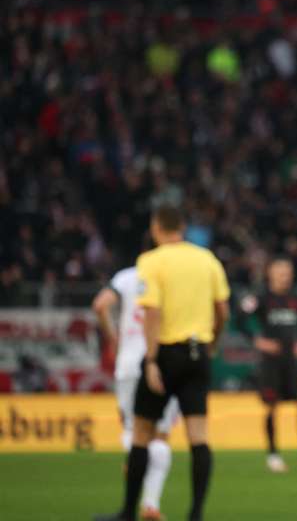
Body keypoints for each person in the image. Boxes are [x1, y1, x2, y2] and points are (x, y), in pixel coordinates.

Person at [95, 206, 230, 521]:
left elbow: (152, 312)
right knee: (199, 437)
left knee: (142, 432)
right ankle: (195, 514)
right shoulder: (206, 259)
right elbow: (222, 310)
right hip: (198, 352)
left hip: (167, 353)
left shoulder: (151, 261)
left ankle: (129, 511)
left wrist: (153, 360)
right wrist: (214, 343)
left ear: (156, 228)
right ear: (182, 228)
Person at [93, 262, 181, 521]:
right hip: (163, 361)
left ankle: (133, 473)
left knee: (134, 433)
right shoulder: (172, 273)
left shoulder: (126, 276)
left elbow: (100, 305)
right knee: (160, 435)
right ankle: (150, 505)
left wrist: (113, 338)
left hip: (129, 364)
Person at [237, 256, 297, 473]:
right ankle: (274, 455)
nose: (285, 276)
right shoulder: (261, 297)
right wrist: (258, 341)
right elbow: (239, 319)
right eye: (280, 272)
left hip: (291, 361)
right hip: (270, 362)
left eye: (288, 272)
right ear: (271, 274)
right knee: (271, 406)